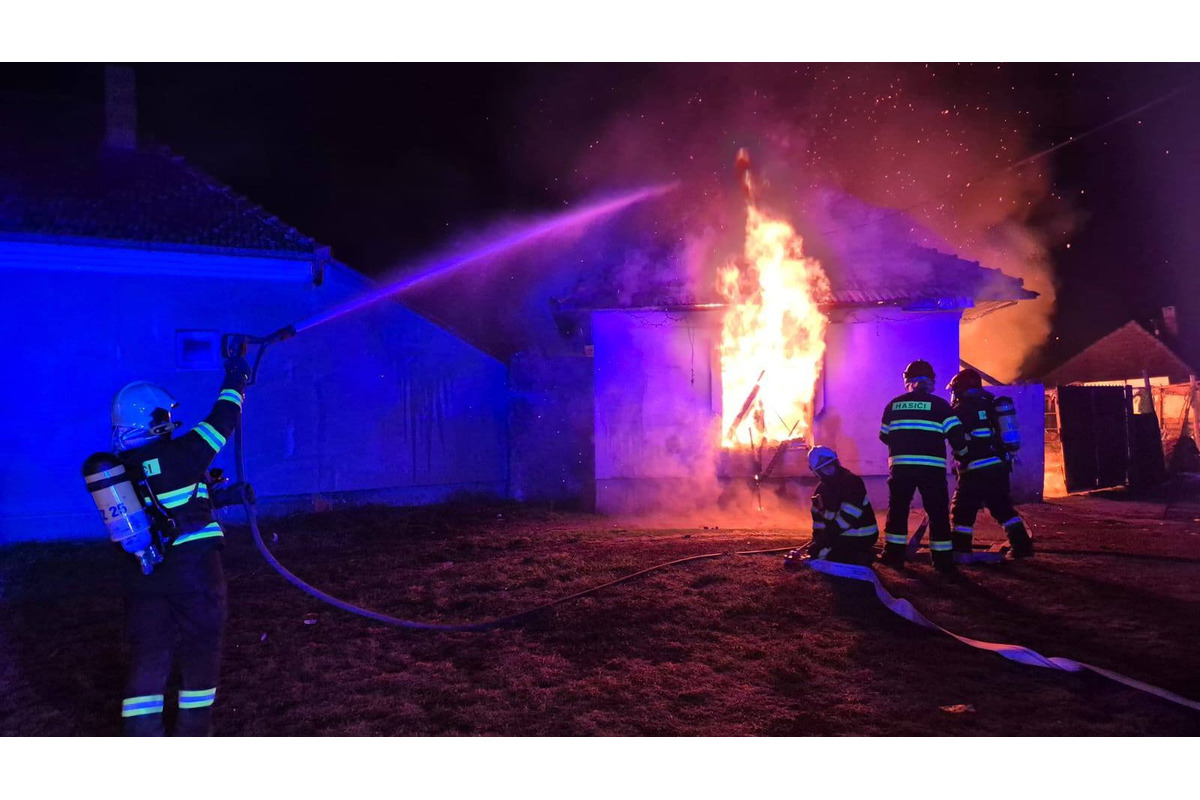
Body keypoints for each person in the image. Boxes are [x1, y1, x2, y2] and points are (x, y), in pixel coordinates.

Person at [108, 348, 250, 736]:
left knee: (149, 655)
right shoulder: (183, 453)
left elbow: (164, 507)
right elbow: (223, 419)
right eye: (165, 416)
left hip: (144, 573)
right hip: (194, 571)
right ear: (154, 420)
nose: (170, 422)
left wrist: (222, 495)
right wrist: (237, 376)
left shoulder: (122, 470)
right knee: (201, 650)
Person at [878, 360, 968, 573]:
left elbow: (884, 436)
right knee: (937, 513)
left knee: (898, 510)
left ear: (908, 381)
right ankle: (943, 561)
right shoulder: (940, 406)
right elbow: (956, 436)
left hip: (901, 469)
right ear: (930, 382)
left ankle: (893, 555)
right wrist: (963, 456)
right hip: (932, 470)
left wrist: (904, 444)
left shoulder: (893, 405)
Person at [947, 368, 1034, 561]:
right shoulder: (990, 405)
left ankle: (960, 550)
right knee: (1002, 508)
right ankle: (1022, 546)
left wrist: (961, 456)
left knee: (962, 511)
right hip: (998, 468)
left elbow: (958, 439)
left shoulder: (960, 410)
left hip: (974, 470)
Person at [784, 445, 879, 568]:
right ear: (817, 472)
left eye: (830, 465)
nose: (829, 471)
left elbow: (848, 516)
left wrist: (827, 537)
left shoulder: (853, 482)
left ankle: (861, 556)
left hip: (862, 535)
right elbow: (818, 519)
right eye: (824, 469)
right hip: (837, 535)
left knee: (830, 557)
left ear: (836, 463)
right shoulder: (820, 491)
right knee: (818, 554)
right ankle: (851, 555)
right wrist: (817, 538)